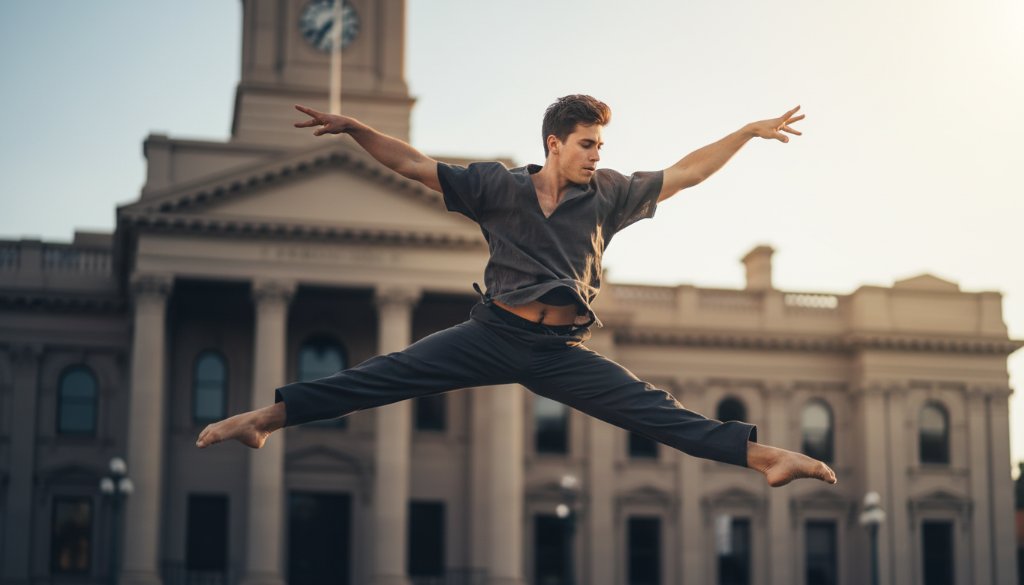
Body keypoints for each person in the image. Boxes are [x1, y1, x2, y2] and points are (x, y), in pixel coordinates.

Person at [196, 95, 836, 488]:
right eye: (587, 145)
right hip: (491, 334)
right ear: (555, 144)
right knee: (379, 377)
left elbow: (687, 173)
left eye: (601, 145)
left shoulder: (608, 192)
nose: (596, 154)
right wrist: (356, 128)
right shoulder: (496, 188)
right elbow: (413, 165)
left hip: (557, 349)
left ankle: (764, 458)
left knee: (654, 410)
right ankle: (263, 420)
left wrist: (747, 133)